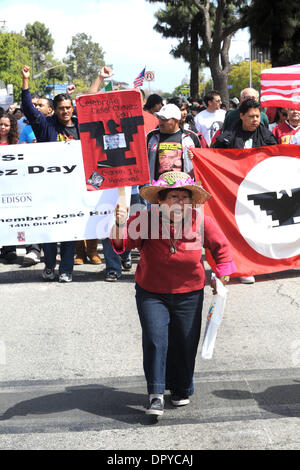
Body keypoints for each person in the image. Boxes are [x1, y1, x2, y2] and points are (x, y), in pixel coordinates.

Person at [111, 171, 236, 416]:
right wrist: (118, 223)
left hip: (190, 293)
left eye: (184, 197)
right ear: (161, 200)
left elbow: (221, 249)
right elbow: (120, 245)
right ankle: (155, 394)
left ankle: (181, 388)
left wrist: (221, 277)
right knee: (156, 341)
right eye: (173, 197)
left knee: (185, 342)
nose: (179, 202)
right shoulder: (143, 219)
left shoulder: (201, 221)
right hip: (151, 292)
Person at [21, 65, 79, 283]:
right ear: (54, 109)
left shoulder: (81, 128)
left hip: (73, 189)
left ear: (72, 109)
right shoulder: (46, 127)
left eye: (68, 107)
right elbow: (28, 108)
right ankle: (48, 266)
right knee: (49, 229)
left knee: (69, 231)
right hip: (49, 188)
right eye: (61, 108)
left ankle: (66, 269)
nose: (65, 111)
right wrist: (25, 81)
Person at [213, 99, 277, 284]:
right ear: (241, 116)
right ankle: (242, 267)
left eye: (258, 116)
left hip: (259, 191)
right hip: (234, 192)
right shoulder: (228, 135)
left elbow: (276, 154)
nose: (255, 120)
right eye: (251, 116)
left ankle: (259, 264)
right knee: (237, 231)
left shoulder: (266, 134)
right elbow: (214, 155)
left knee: (258, 229)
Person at [147, 103, 202, 181]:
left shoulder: (191, 137)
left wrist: (194, 158)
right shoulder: (151, 136)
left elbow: (200, 163)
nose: (161, 122)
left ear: (176, 120)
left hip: (183, 188)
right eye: (159, 118)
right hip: (156, 188)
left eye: (165, 119)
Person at [0, 113, 19, 263]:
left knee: (9, 217)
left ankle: (10, 249)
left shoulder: (16, 143)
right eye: (1, 124)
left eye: (6, 125)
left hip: (11, 186)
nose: (3, 128)